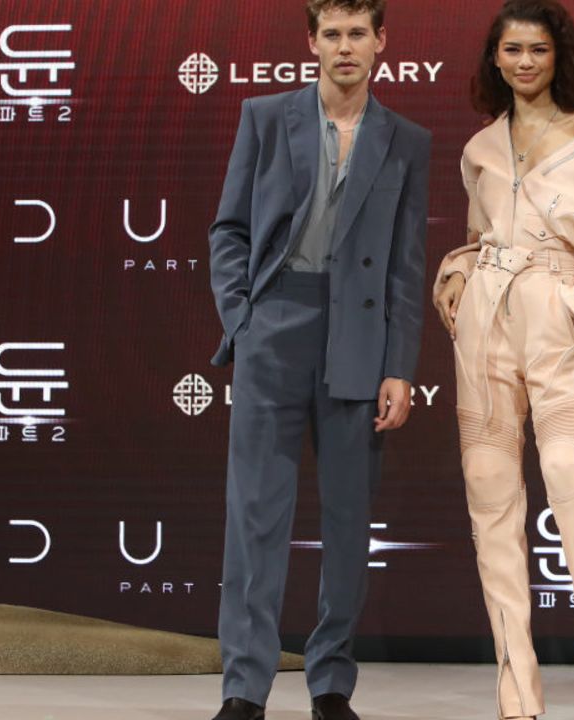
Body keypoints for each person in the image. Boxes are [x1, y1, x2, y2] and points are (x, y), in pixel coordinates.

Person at [432, 1, 574, 717]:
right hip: (482, 328)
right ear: (494, 59)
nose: (525, 61)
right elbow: (479, 230)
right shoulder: (480, 147)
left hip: (552, 319)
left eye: (538, 48)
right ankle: (516, 689)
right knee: (487, 484)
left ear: (560, 55)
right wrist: (459, 276)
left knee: (568, 474)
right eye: (512, 49)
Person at [206, 0, 430, 717]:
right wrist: (243, 322)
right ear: (311, 42)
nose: (344, 47)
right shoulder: (267, 117)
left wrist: (400, 363)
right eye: (331, 34)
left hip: (359, 335)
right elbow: (230, 230)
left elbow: (405, 265)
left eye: (357, 34)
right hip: (275, 326)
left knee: (347, 518)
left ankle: (331, 682)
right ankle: (245, 687)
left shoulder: (405, 139)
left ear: (380, 42)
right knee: (256, 515)